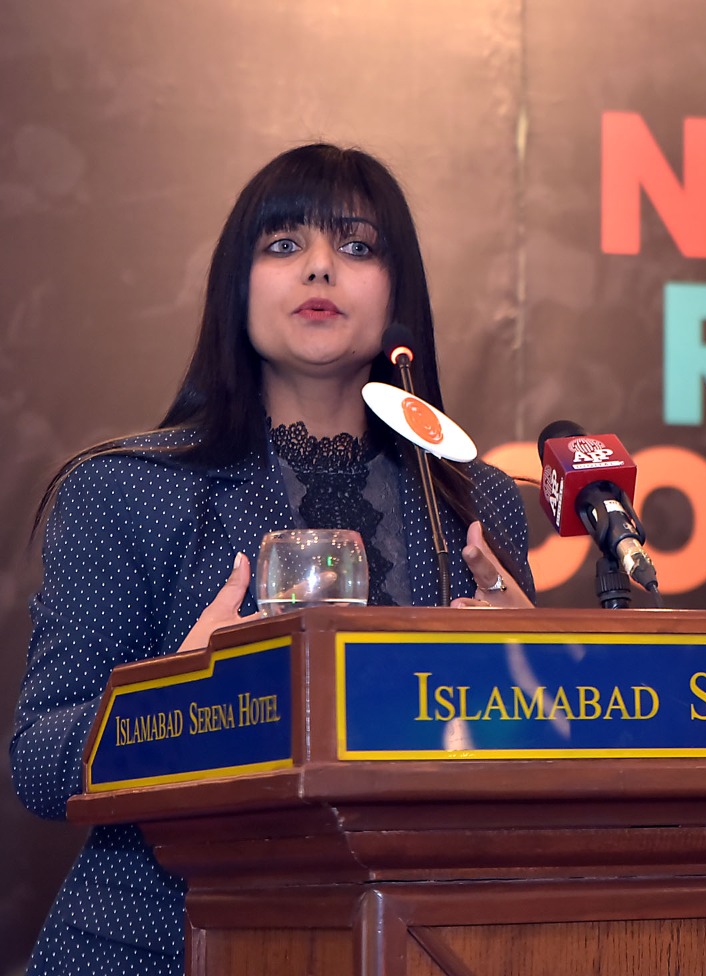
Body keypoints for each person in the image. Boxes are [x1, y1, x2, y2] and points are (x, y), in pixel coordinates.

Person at [10, 143, 537, 975]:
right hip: (163, 943)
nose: (321, 268)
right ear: (237, 286)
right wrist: (169, 699)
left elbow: (515, 770)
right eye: (285, 244)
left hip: (414, 944)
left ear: (399, 295)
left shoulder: (476, 501)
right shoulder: (125, 489)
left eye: (357, 246)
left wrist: (536, 677)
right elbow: (39, 764)